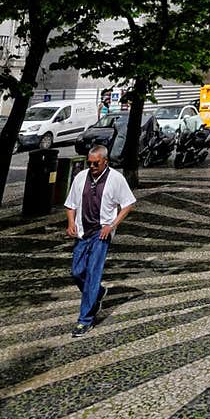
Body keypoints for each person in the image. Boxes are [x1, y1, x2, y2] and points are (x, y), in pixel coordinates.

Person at [64, 144, 136, 338]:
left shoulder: (116, 179)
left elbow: (128, 204)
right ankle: (97, 292)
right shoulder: (80, 178)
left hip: (101, 234)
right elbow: (70, 204)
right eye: (90, 163)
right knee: (77, 272)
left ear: (105, 161)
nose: (93, 167)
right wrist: (71, 222)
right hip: (82, 232)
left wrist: (112, 225)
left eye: (96, 163)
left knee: (93, 273)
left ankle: (85, 320)